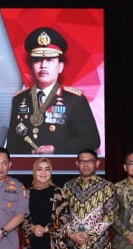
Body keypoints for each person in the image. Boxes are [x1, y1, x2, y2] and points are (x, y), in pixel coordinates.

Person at [5, 26, 100, 155]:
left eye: (49, 60)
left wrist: (56, 149)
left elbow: (91, 140)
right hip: (26, 166)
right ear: (31, 66)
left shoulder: (74, 100)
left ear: (60, 67)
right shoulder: (19, 99)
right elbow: (12, 145)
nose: (43, 65)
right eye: (37, 60)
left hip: (60, 166)